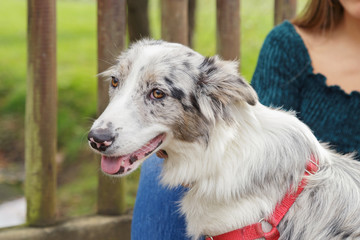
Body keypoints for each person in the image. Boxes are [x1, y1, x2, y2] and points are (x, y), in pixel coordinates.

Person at [131, 0, 360, 239]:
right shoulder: (288, 44)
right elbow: (252, 134)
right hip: (271, 191)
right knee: (160, 162)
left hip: (339, 206)